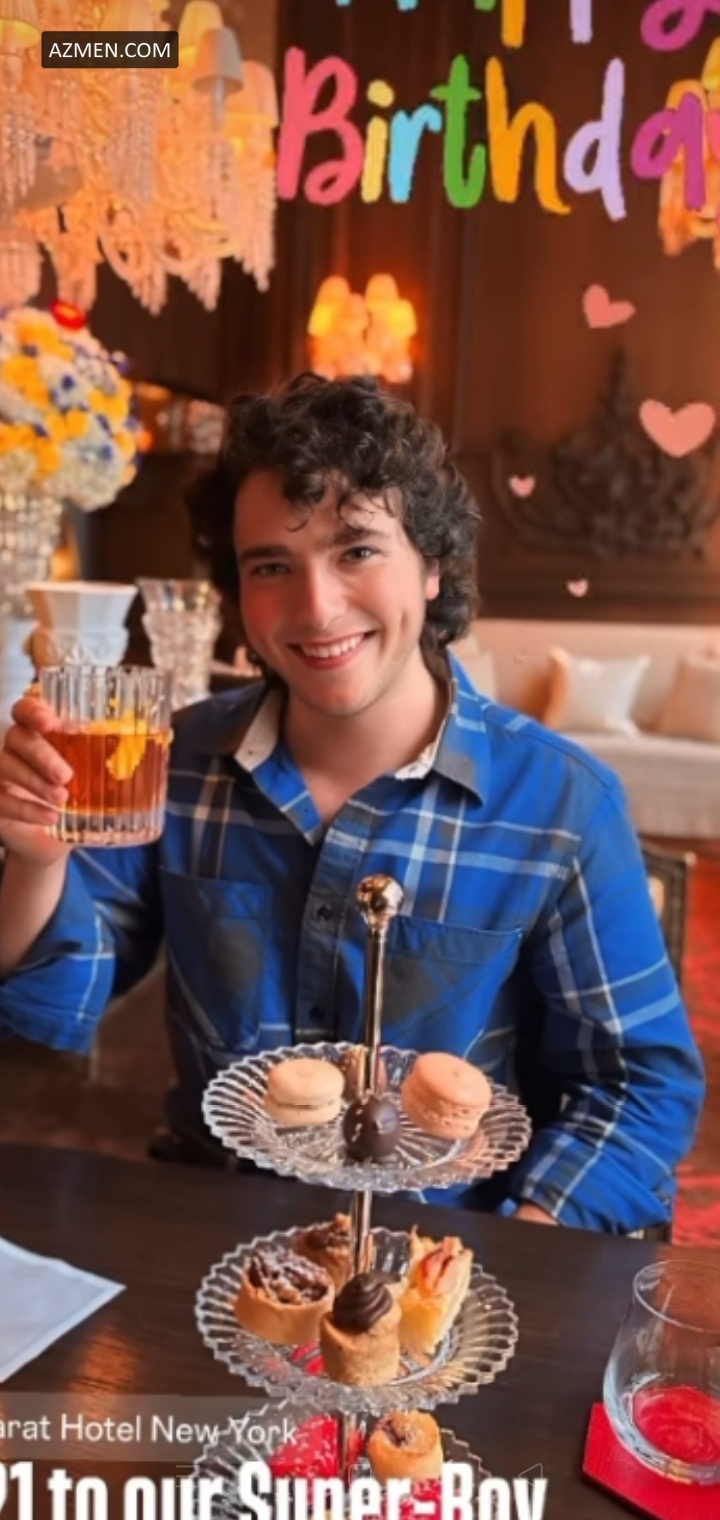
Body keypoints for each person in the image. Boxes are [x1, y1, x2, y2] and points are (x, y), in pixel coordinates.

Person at [0, 375, 704, 1233]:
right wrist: (37, 862)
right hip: (216, 1231)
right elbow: (47, 1016)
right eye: (271, 566)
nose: (316, 606)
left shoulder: (559, 801)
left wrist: (514, 1256)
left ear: (432, 566)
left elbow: (637, 1086)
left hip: (448, 1242)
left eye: (358, 550)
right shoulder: (176, 762)